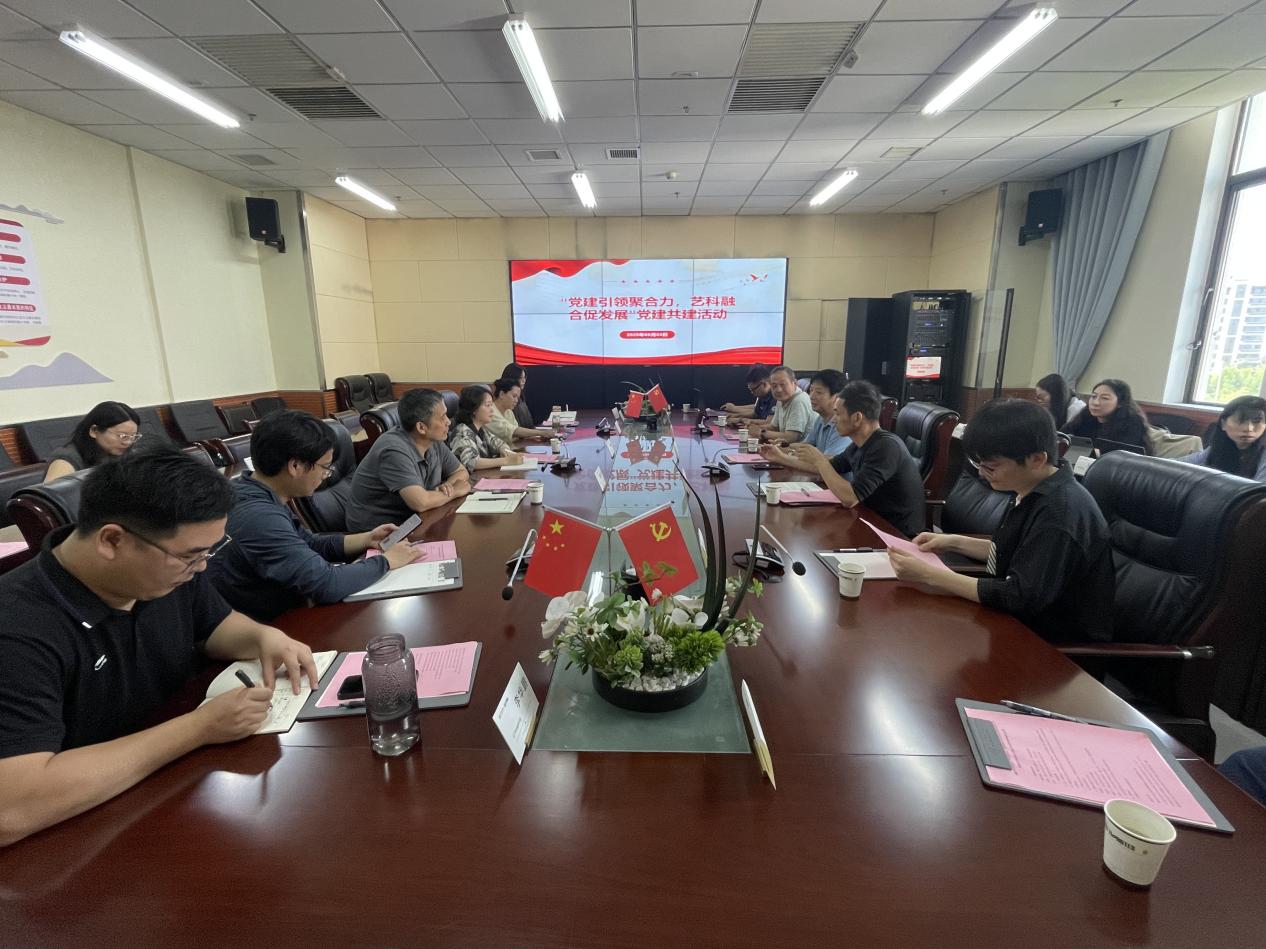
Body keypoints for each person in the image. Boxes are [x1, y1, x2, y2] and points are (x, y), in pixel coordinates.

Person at [0, 443, 318, 846]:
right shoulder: (17, 627)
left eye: (209, 552)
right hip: (84, 837)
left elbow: (217, 626)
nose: (202, 567)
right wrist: (200, 727)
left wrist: (263, 637)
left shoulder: (164, 572)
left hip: (173, 790)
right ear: (111, 540)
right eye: (191, 556)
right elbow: (13, 806)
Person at [888, 398, 1114, 644]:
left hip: (1051, 643)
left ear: (1037, 459)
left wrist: (929, 575)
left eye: (991, 467)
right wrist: (952, 542)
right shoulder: (1031, 488)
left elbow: (1018, 596)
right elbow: (1016, 550)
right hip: (1012, 619)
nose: (982, 473)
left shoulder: (1061, 514)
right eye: (979, 463)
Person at [207, 411, 421, 622]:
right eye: (325, 467)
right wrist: (386, 561)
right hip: (272, 625)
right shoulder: (259, 517)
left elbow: (308, 543)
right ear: (295, 466)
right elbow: (325, 584)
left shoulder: (255, 490)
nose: (326, 475)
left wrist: (367, 538)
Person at [784, 380, 925, 538]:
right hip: (869, 521)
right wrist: (779, 457)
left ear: (857, 417)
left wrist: (819, 460)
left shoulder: (886, 447)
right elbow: (830, 467)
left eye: (838, 413)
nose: (834, 419)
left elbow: (850, 498)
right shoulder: (859, 444)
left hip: (896, 535)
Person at [346, 388, 470, 532]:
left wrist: (448, 486)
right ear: (421, 427)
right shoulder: (393, 450)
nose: (448, 421)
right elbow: (420, 503)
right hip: (377, 532)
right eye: (442, 417)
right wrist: (455, 491)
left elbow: (461, 472)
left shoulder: (433, 441)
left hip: (415, 521)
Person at [758, 369, 851, 473]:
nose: (812, 396)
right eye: (811, 390)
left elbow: (829, 466)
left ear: (837, 397)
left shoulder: (843, 425)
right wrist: (782, 446)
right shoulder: (821, 419)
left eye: (819, 392)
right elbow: (805, 446)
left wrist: (782, 458)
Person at [44, 401, 141, 482]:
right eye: (122, 436)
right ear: (94, 431)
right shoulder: (66, 460)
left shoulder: (128, 455)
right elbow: (52, 497)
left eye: (133, 436)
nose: (128, 442)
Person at [1178, 395, 1266, 482]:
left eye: (1257, 421)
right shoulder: (1217, 449)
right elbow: (1177, 466)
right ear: (1223, 424)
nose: (1249, 428)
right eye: (1240, 420)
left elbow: (1258, 489)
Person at [447, 385, 526, 475]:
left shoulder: (481, 429)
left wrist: (506, 451)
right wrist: (506, 461)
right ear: (474, 409)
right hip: (470, 481)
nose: (492, 410)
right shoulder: (462, 431)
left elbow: (499, 443)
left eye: (491, 405)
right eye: (488, 405)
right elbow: (472, 462)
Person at [1065, 378, 1151, 453]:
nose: (1095, 402)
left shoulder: (1133, 423)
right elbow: (1064, 434)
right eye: (1094, 396)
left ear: (1120, 403)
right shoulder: (1086, 415)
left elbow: (1121, 455)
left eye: (1105, 398)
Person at [753, 366, 815, 444]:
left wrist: (762, 433)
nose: (778, 390)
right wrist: (755, 428)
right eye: (774, 386)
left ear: (795, 383)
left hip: (800, 449)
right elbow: (774, 427)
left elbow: (791, 437)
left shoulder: (799, 401)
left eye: (783, 385)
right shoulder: (781, 399)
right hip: (786, 447)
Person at [487, 377, 550, 445]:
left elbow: (517, 432)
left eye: (518, 398)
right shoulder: (490, 411)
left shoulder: (508, 411)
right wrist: (542, 433)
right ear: (501, 394)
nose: (516, 401)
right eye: (514, 396)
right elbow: (515, 431)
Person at [501, 362, 536, 429]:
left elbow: (529, 422)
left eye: (524, 377)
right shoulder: (506, 400)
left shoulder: (521, 396)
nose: (524, 381)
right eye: (520, 378)